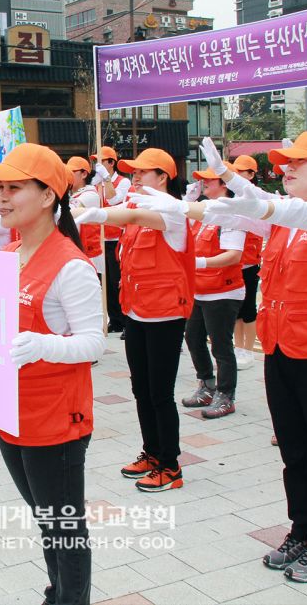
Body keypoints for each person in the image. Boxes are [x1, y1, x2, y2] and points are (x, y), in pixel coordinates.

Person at [132, 133, 307, 582]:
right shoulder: (288, 220)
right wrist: (209, 191)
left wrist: (237, 189)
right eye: (286, 163)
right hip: (283, 351)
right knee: (295, 453)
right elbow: (254, 209)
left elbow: (282, 208)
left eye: (299, 162)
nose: (287, 169)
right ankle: (301, 530)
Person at [0, 143, 104, 605]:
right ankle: (58, 594)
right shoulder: (9, 252)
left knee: (64, 525)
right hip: (11, 411)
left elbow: (94, 342)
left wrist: (44, 344)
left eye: (13, 188)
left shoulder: (71, 265)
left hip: (54, 420)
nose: (0, 198)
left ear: (48, 196)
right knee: (45, 516)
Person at [74, 148, 194, 493]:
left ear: (164, 178)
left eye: (144, 172)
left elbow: (131, 217)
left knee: (160, 393)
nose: (136, 178)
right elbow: (123, 218)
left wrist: (94, 211)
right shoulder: (137, 211)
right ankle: (152, 453)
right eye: (134, 172)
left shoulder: (172, 216)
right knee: (141, 389)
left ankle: (170, 466)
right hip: (138, 313)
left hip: (166, 316)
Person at [180, 163, 246, 420]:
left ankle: (225, 395)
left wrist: (201, 263)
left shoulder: (232, 214)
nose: (203, 184)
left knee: (221, 345)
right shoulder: (204, 213)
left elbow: (234, 255)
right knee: (193, 337)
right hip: (199, 289)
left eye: (209, 180)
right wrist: (187, 202)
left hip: (222, 291)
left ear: (225, 184)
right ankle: (207, 384)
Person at [89, 146, 132, 333]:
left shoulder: (123, 182)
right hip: (99, 238)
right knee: (104, 281)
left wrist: (107, 179)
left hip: (116, 238)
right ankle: (114, 319)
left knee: (116, 280)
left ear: (111, 163)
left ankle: (124, 319)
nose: (97, 165)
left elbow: (115, 201)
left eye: (101, 161)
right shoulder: (96, 184)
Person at [231, 155, 263, 371]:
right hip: (232, 261)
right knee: (235, 309)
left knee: (249, 307)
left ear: (251, 175)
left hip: (250, 261)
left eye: (243, 172)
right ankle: (238, 346)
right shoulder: (233, 197)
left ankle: (249, 349)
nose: (238, 175)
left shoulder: (258, 200)